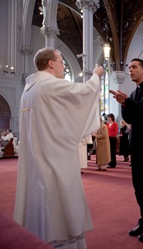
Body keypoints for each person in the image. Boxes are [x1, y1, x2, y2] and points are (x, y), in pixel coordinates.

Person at [14, 48, 104, 249]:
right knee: (57, 204)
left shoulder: (29, 89)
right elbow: (84, 92)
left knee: (41, 198)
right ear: (51, 64)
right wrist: (96, 76)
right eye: (62, 62)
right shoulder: (49, 85)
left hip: (37, 157)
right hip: (54, 157)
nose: (64, 66)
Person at [110, 58, 143, 242]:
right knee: (139, 186)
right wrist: (124, 103)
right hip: (137, 145)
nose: (130, 70)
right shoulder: (133, 93)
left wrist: (128, 102)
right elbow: (130, 118)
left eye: (134, 67)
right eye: (129, 67)